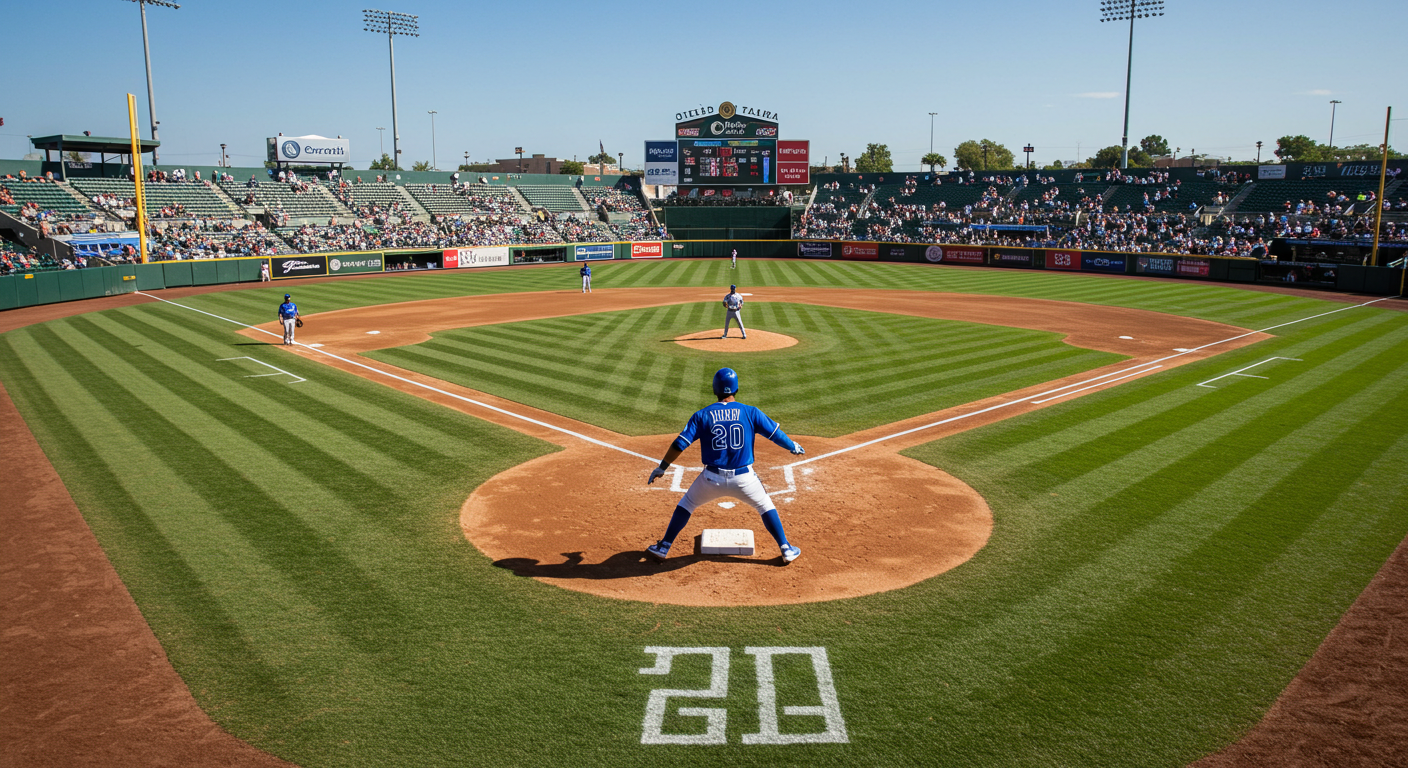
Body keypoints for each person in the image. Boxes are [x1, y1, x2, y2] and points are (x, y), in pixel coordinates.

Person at [645, 368, 805, 563]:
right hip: (744, 479)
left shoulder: (702, 415)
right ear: (736, 388)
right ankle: (786, 548)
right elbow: (775, 434)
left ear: (715, 389)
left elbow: (680, 443)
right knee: (764, 505)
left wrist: (662, 467)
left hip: (711, 479)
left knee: (687, 504)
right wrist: (793, 446)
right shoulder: (750, 412)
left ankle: (664, 546)